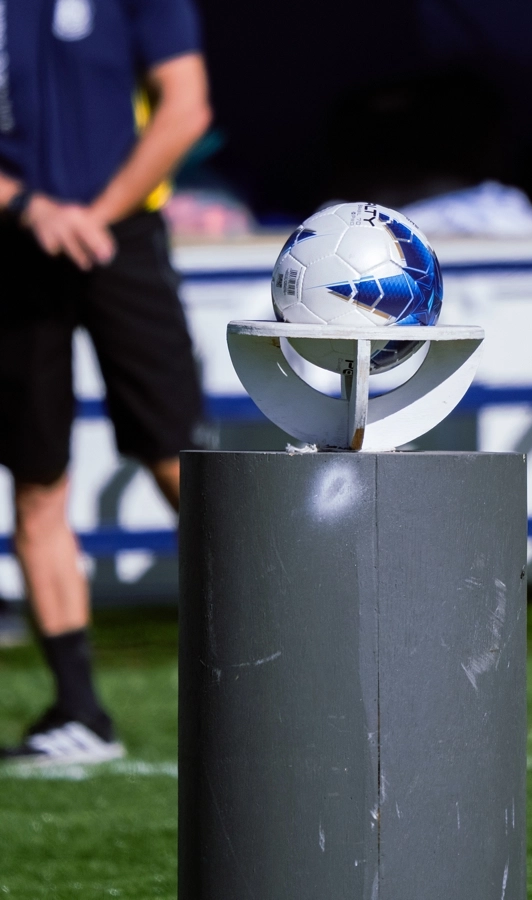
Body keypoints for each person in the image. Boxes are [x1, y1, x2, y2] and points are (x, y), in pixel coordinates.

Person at [0, 0, 212, 764]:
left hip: (121, 237)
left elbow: (185, 109)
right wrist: (28, 208)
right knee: (36, 482)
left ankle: (294, 663)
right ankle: (80, 712)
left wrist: (97, 213)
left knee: (182, 463)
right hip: (16, 247)